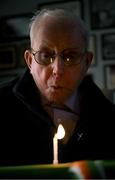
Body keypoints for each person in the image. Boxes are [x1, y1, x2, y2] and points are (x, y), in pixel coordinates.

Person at [0, 8, 115, 167]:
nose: (58, 70)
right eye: (46, 55)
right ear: (29, 61)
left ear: (86, 62)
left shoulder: (109, 119)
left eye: (70, 56)